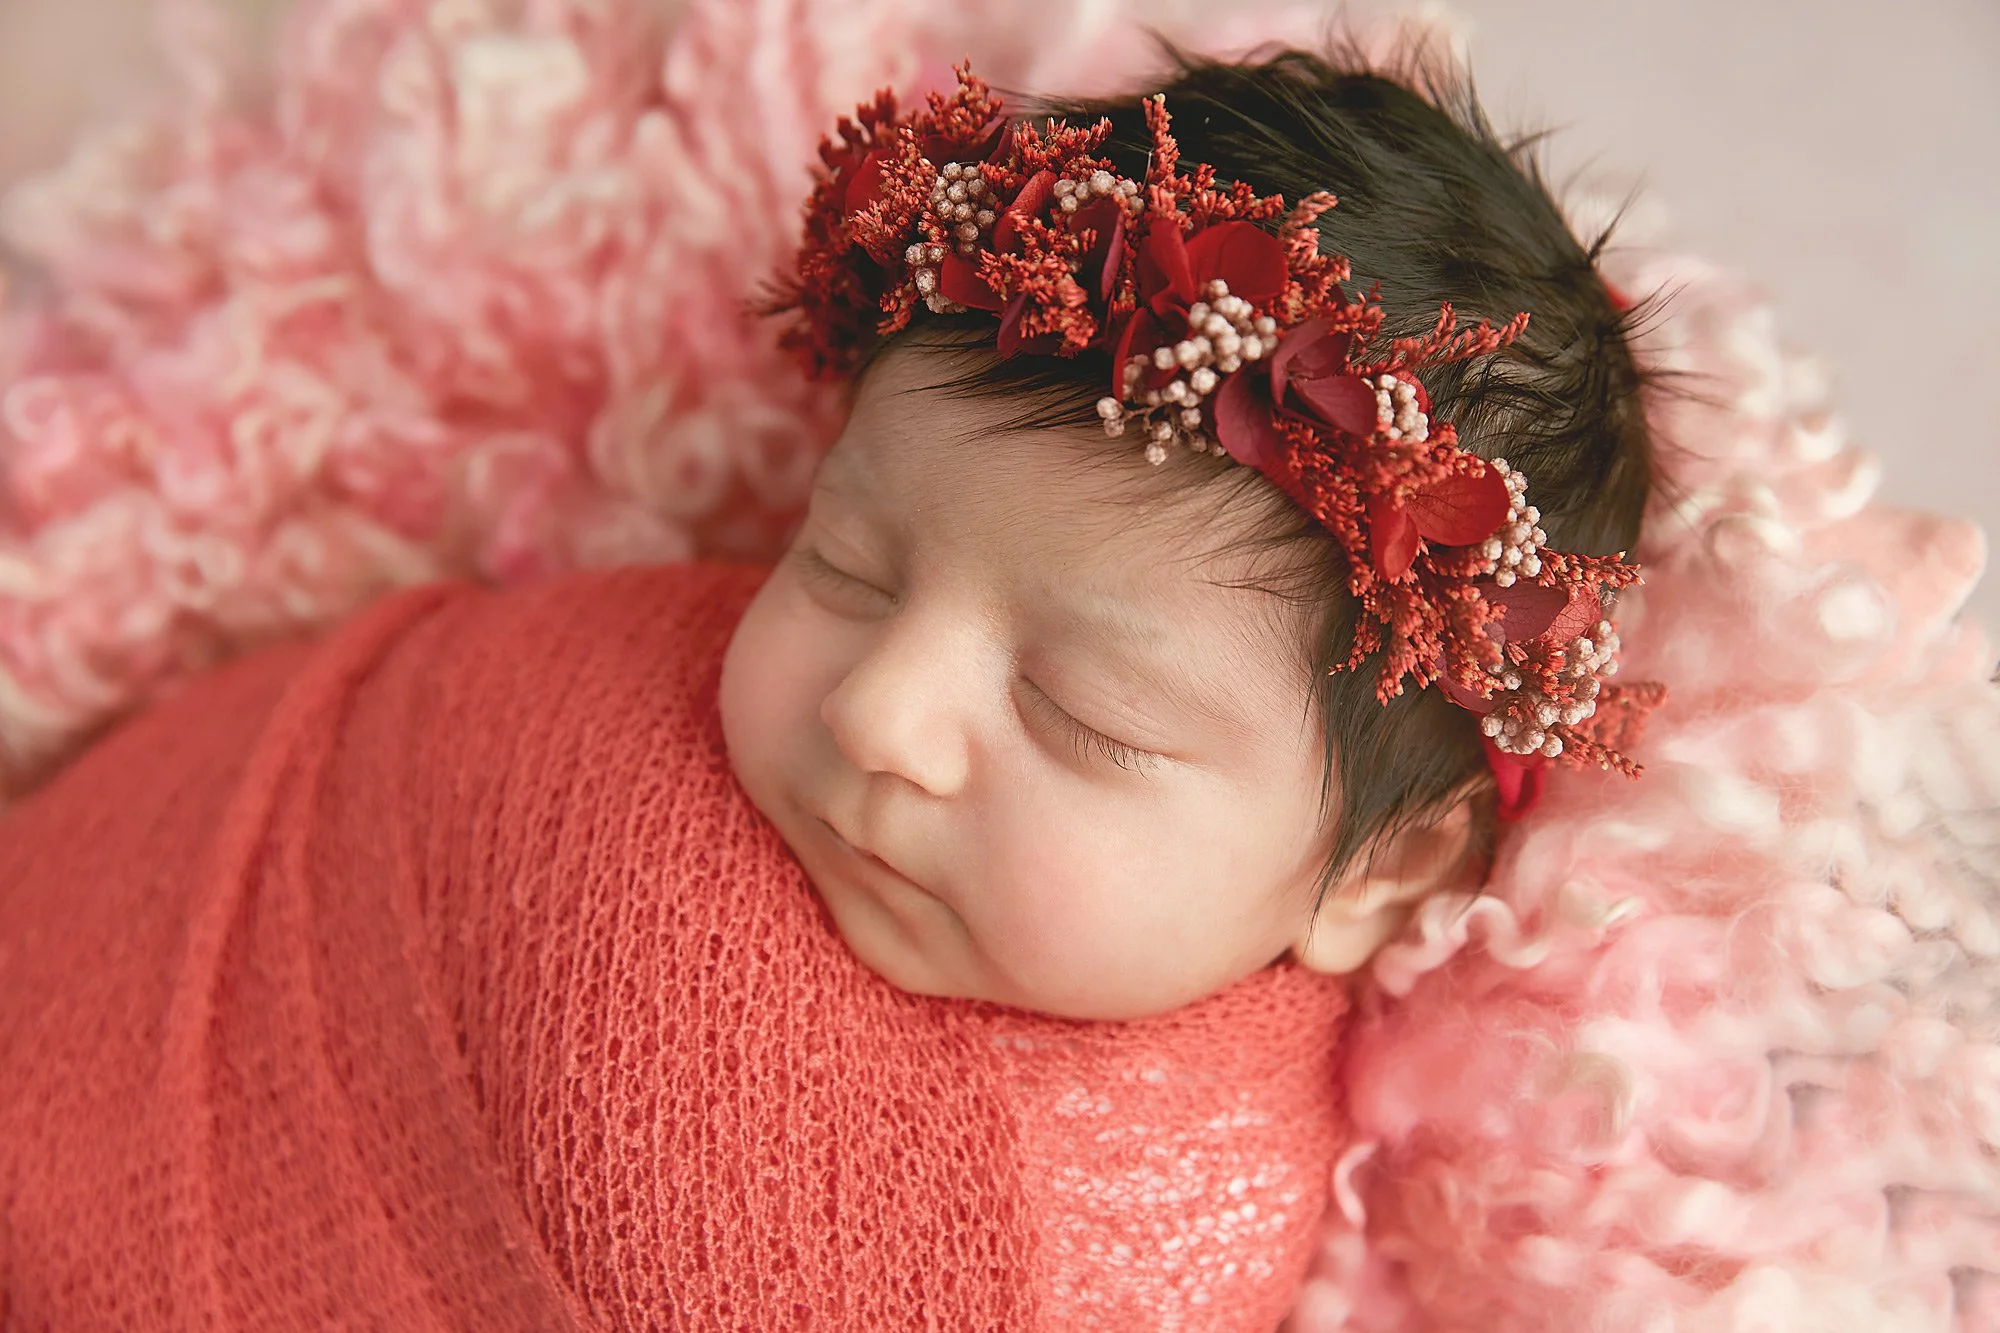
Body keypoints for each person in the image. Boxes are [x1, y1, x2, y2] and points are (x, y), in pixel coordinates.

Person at [0, 46, 1658, 1329]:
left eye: (1084, 716)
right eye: (845, 565)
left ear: (1387, 867)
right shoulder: (602, 678)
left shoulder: (1171, 1200)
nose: (878, 711)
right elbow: (364, 757)